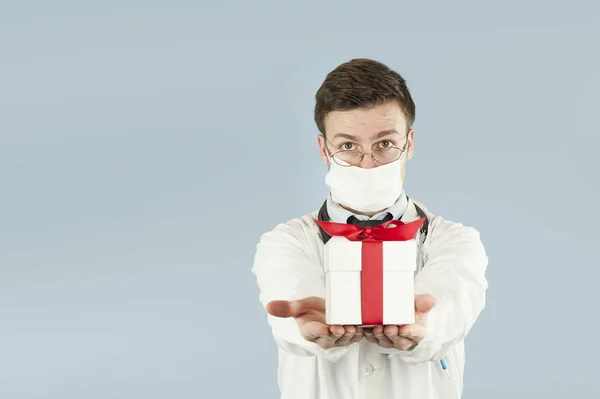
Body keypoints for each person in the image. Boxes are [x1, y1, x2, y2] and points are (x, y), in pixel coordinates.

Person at [251, 58, 489, 399]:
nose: (367, 163)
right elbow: (291, 291)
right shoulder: (286, 242)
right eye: (348, 146)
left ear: (409, 143)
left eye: (384, 144)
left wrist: (426, 327)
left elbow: (451, 301)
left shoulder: (455, 240)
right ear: (323, 149)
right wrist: (310, 326)